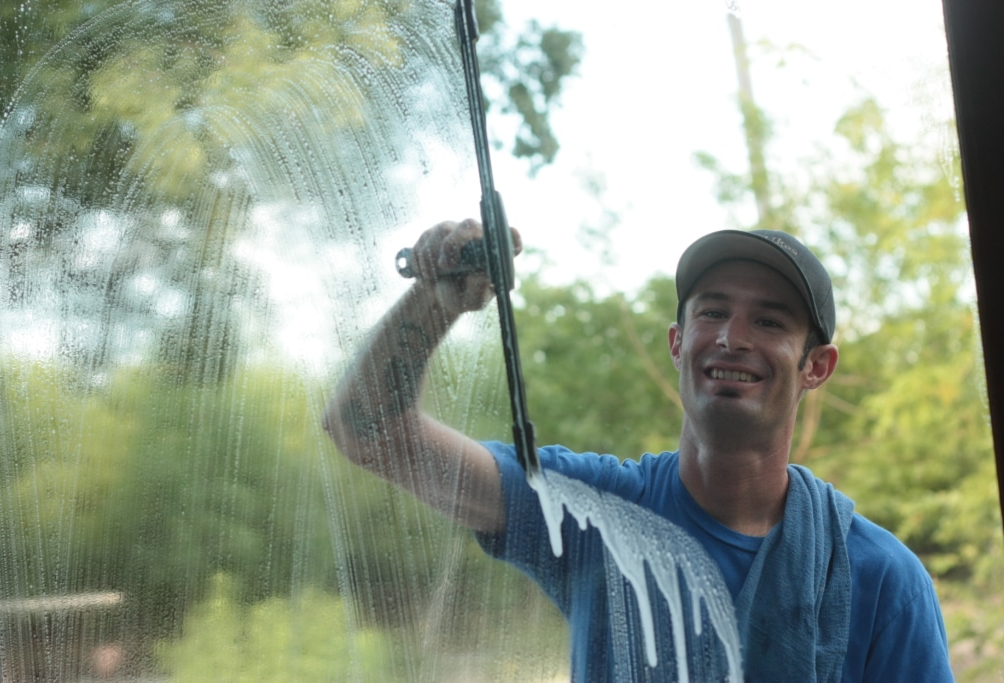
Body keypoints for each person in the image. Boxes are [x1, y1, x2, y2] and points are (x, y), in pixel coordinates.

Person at [323, 219, 954, 682]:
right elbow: (365, 432)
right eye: (712, 313)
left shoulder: (882, 578)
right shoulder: (594, 512)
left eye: (769, 321)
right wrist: (432, 304)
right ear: (678, 344)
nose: (732, 338)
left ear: (817, 366)